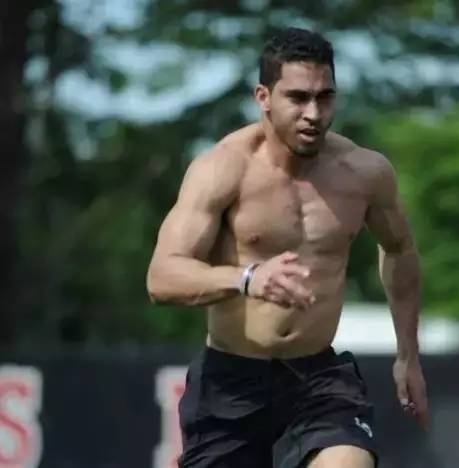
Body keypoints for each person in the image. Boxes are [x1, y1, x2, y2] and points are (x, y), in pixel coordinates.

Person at [146, 26, 427, 468]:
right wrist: (246, 278)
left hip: (318, 379)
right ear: (263, 97)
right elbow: (161, 277)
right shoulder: (222, 169)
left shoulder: (365, 173)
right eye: (298, 98)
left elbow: (399, 251)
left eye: (325, 97)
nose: (313, 113)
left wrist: (407, 355)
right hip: (231, 381)